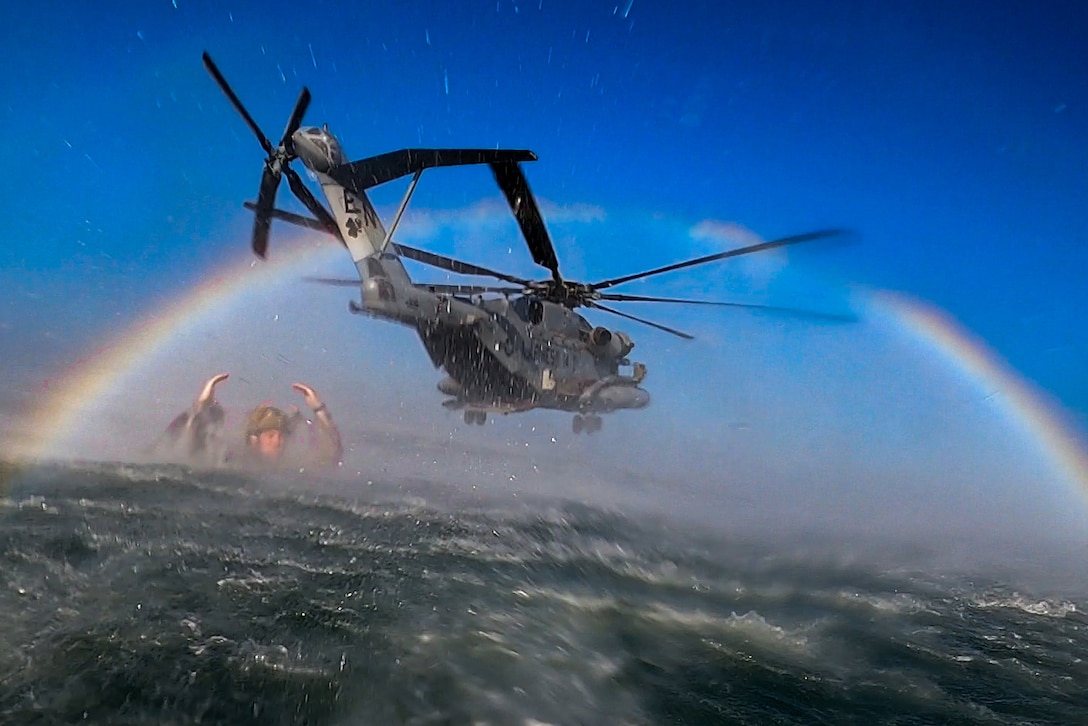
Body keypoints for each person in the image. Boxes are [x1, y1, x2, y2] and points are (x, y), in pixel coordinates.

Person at [159, 373, 342, 471]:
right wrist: (202, 407)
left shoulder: (290, 467)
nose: (278, 442)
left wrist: (319, 409)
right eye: (270, 436)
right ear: (254, 439)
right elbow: (192, 448)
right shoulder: (232, 462)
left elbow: (331, 456)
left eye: (282, 436)